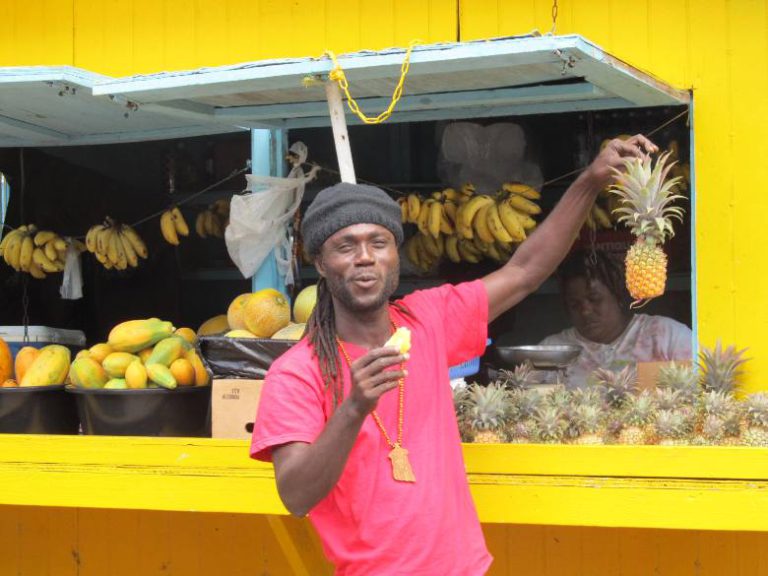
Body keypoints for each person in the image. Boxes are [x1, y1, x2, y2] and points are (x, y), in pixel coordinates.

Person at [250, 134, 657, 575]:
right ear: (322, 264)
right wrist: (353, 409)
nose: (364, 257)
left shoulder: (428, 320)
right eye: (345, 246)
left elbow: (524, 272)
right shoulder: (297, 372)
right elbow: (295, 495)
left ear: (396, 256)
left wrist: (590, 182)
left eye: (378, 242)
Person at [539, 248, 693, 387]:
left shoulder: (666, 335)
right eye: (574, 304)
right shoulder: (552, 351)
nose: (585, 311)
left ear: (617, 296)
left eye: (594, 299)